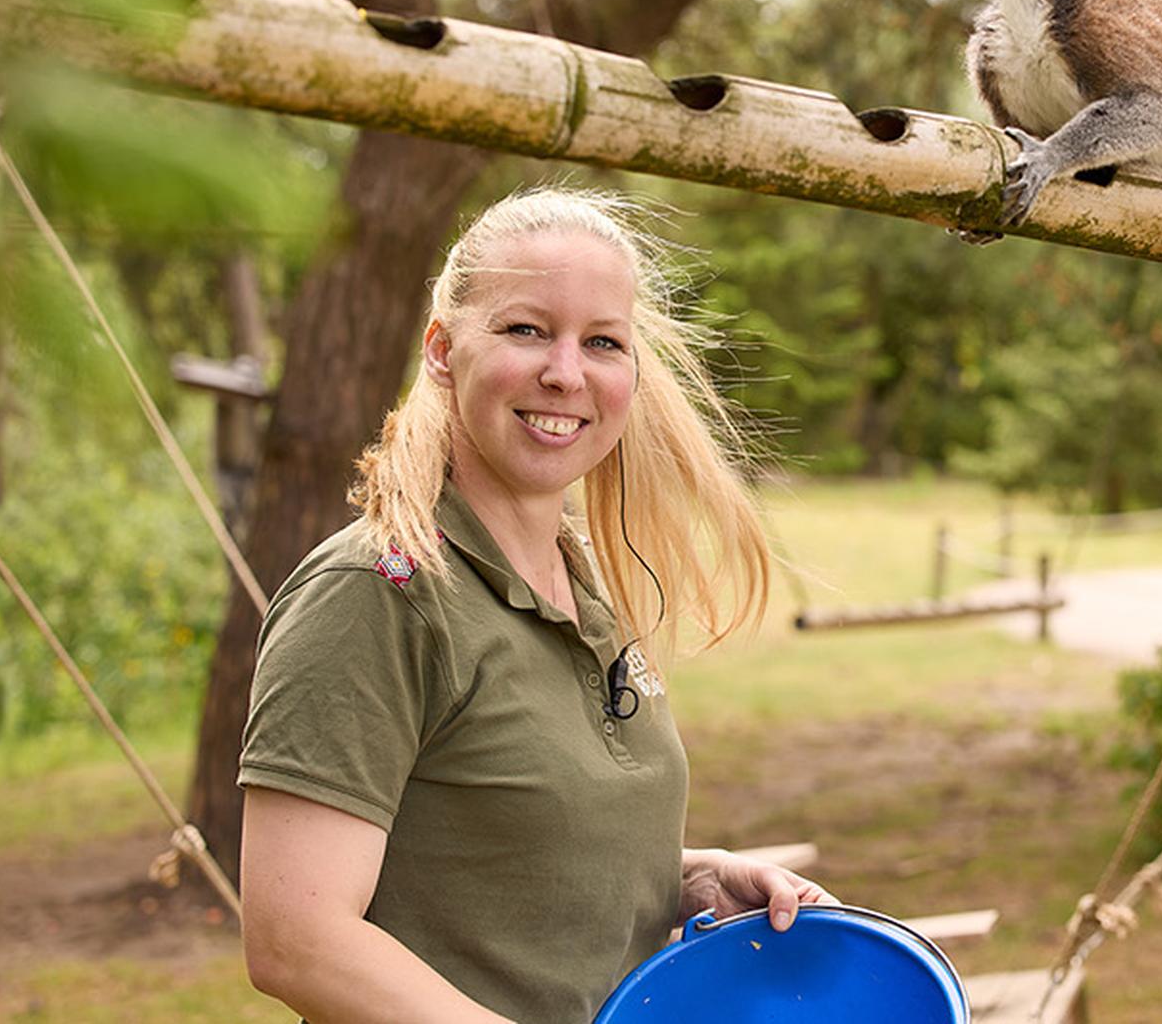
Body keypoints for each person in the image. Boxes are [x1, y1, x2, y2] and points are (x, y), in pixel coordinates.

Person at [238, 189, 830, 1024]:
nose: (566, 371)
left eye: (602, 342)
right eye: (526, 330)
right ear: (443, 350)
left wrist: (688, 879)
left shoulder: (587, 586)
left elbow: (508, 855)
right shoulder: (377, 592)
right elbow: (297, 938)